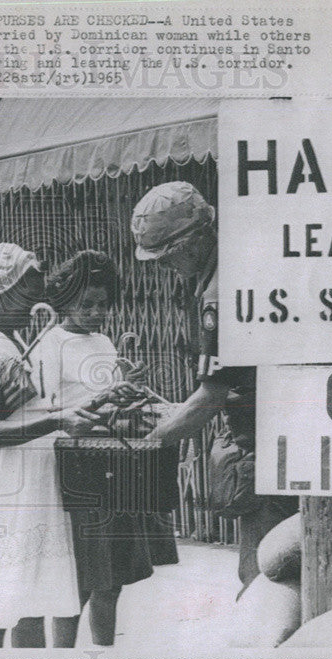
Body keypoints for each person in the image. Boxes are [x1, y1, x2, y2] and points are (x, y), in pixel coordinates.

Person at [130, 181, 297, 591]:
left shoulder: (219, 293)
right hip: (281, 435)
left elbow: (210, 397)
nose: (168, 267)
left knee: (263, 573)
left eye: (170, 257)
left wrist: (147, 446)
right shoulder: (237, 263)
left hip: (267, 443)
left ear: (196, 239)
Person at [0, 243, 102, 648]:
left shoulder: (6, 341)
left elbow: (25, 413)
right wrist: (59, 419)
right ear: (1, 291)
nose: (36, 302)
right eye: (28, 294)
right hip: (2, 489)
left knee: (29, 600)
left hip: (30, 482)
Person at [33, 251, 178, 647]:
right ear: (65, 300)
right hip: (76, 465)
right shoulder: (52, 343)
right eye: (86, 305)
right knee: (79, 577)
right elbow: (47, 407)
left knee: (111, 576)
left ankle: (104, 655)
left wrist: (125, 385)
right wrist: (102, 400)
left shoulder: (103, 340)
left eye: (102, 305)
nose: (96, 312)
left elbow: (110, 395)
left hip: (112, 459)